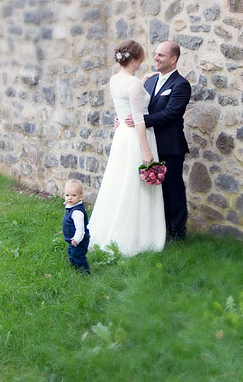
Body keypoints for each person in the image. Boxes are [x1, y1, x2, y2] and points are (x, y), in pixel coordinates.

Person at [89, 40, 167, 255]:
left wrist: (141, 82)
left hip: (122, 134)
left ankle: (113, 231)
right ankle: (136, 238)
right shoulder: (132, 84)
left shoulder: (116, 80)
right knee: (134, 185)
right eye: (142, 57)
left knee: (120, 182)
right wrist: (146, 150)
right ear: (135, 58)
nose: (144, 60)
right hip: (135, 138)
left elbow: (126, 106)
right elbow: (139, 119)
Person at [123, 40, 191, 241]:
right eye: (155, 54)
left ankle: (178, 232)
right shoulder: (150, 81)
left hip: (170, 147)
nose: (156, 58)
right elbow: (137, 106)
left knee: (173, 190)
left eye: (161, 55)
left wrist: (140, 120)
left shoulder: (181, 85)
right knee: (154, 193)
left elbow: (171, 114)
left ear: (173, 59)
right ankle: (158, 230)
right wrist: (125, 118)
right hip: (149, 145)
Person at [62, 179, 90, 274]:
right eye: (67, 195)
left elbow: (80, 229)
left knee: (78, 255)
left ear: (80, 197)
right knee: (71, 253)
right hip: (72, 240)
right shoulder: (71, 206)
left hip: (79, 240)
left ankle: (84, 273)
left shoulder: (77, 212)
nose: (70, 198)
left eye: (73, 195)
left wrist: (76, 240)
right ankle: (74, 268)